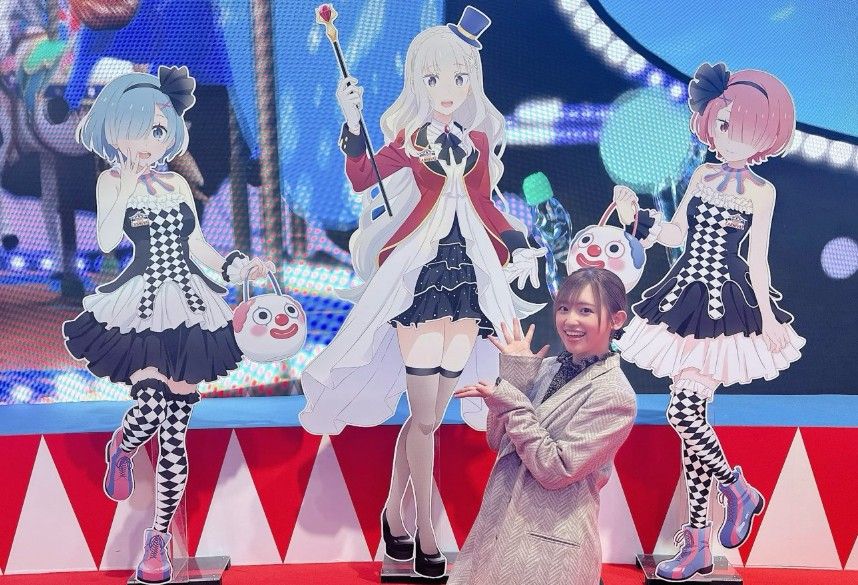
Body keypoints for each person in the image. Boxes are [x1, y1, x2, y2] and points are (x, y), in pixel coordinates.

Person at [299, 6, 547, 578]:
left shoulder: (477, 141)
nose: (447, 90)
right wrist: (351, 121)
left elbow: (485, 206)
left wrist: (519, 242)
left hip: (467, 281)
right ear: (418, 82)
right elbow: (362, 177)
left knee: (428, 415)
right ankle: (427, 532)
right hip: (419, 278)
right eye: (434, 79)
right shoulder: (409, 143)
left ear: (471, 80)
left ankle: (393, 514)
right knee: (427, 416)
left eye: (458, 77)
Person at [62, 65, 271, 585]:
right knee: (152, 404)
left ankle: (157, 540)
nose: (149, 140)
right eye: (138, 128)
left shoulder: (177, 182)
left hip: (189, 303)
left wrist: (236, 267)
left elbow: (196, 246)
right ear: (114, 129)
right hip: (139, 305)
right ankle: (123, 445)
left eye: (158, 129)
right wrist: (126, 185)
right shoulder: (110, 181)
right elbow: (107, 242)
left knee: (175, 430)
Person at [613, 62, 805, 580]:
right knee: (691, 423)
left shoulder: (762, 192)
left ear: (764, 134)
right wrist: (637, 219)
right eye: (722, 123)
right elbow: (677, 235)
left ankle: (737, 490)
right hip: (683, 296)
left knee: (683, 415)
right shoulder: (701, 175)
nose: (728, 135)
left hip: (722, 308)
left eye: (740, 127)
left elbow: (758, 262)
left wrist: (768, 318)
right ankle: (700, 540)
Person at [449, 268, 637, 585]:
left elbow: (555, 469)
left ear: (616, 320)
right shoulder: (546, 368)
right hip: (498, 529)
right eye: (563, 308)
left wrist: (512, 401)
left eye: (585, 310)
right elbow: (498, 441)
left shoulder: (615, 395)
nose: (570, 320)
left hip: (549, 549)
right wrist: (516, 377)